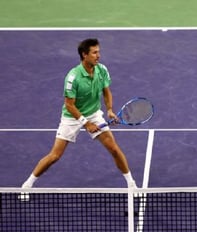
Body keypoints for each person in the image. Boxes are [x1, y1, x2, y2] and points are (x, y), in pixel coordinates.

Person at [21, 38, 137, 191]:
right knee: (55, 156)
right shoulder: (72, 77)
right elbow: (69, 105)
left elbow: (106, 91)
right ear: (84, 55)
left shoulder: (102, 70)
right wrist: (86, 123)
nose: (98, 55)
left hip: (94, 113)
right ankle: (27, 184)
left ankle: (131, 184)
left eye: (98, 52)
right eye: (94, 53)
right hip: (72, 116)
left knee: (114, 149)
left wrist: (109, 109)